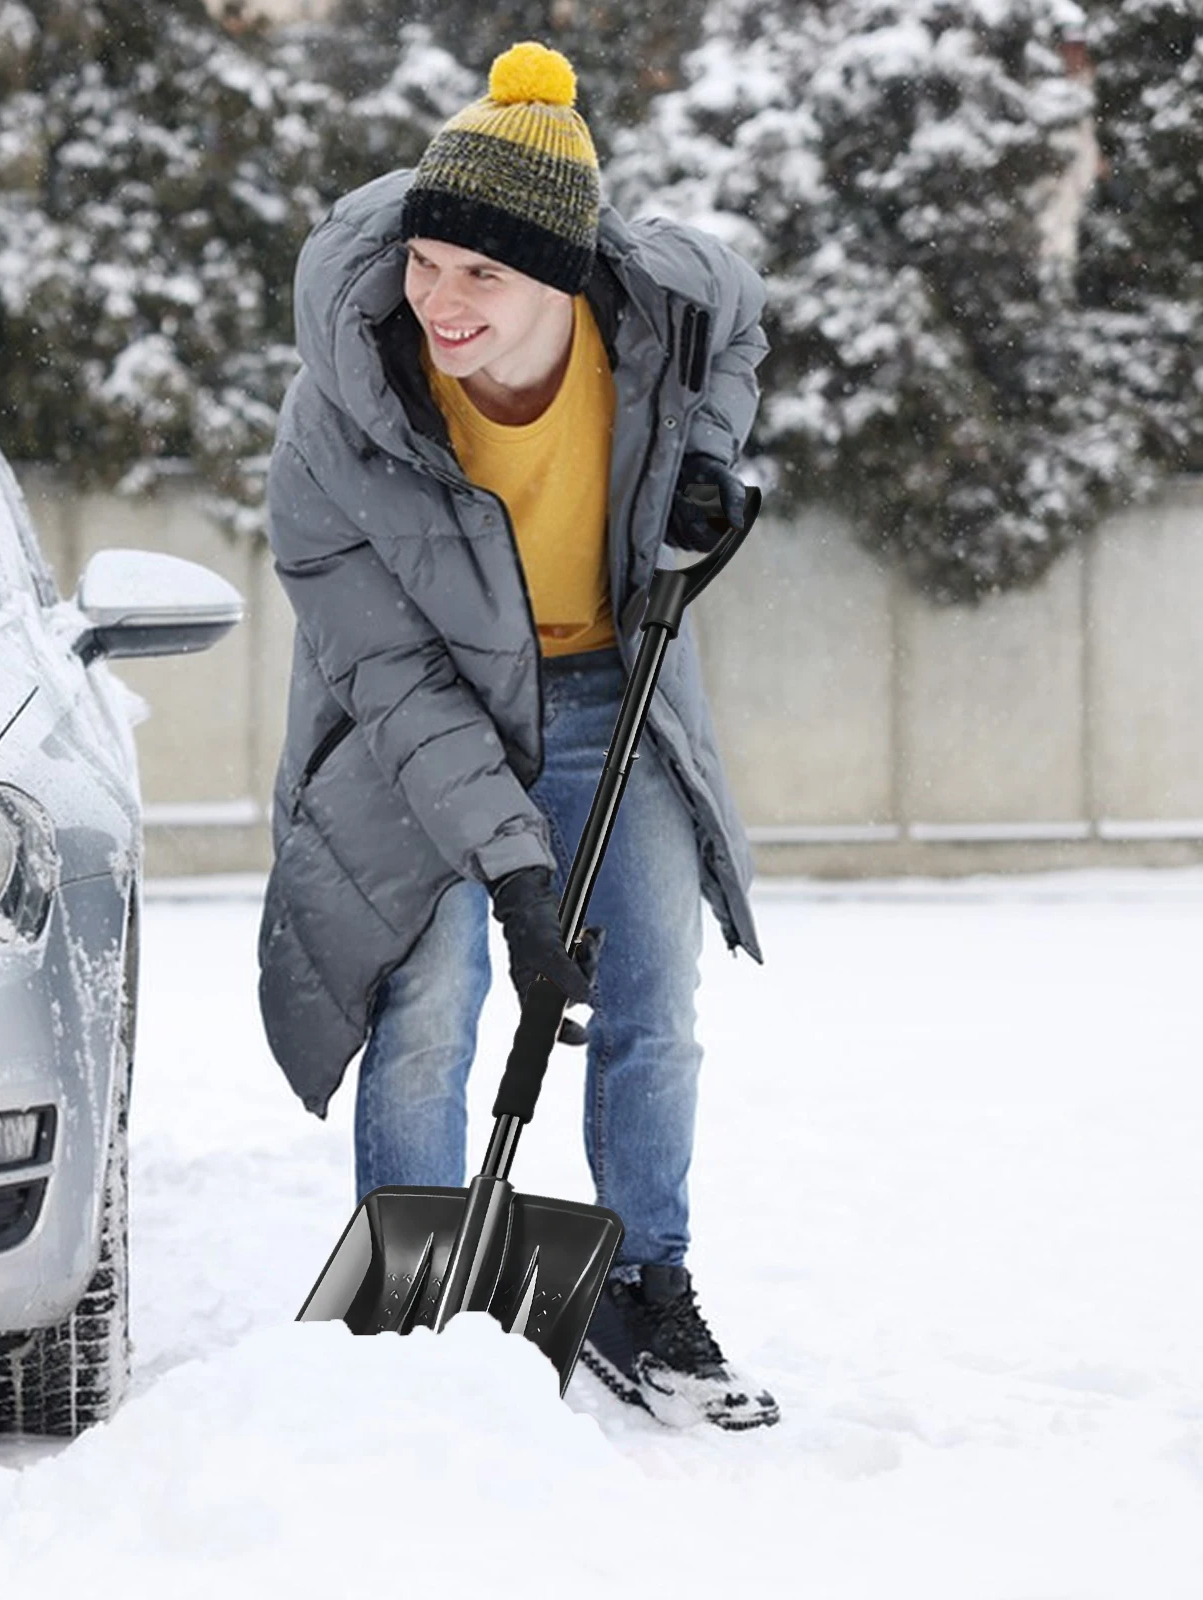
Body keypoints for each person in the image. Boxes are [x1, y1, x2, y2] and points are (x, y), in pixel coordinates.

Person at [257, 40, 777, 1430]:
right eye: (425, 262)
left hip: (609, 683)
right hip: (412, 721)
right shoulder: (339, 420)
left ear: (562, 274)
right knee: (430, 996)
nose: (439, 300)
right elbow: (394, 679)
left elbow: (742, 323)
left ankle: (646, 1281)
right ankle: (405, 1312)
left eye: (479, 275)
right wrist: (516, 872)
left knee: (652, 993)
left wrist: (708, 456)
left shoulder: (661, 304)